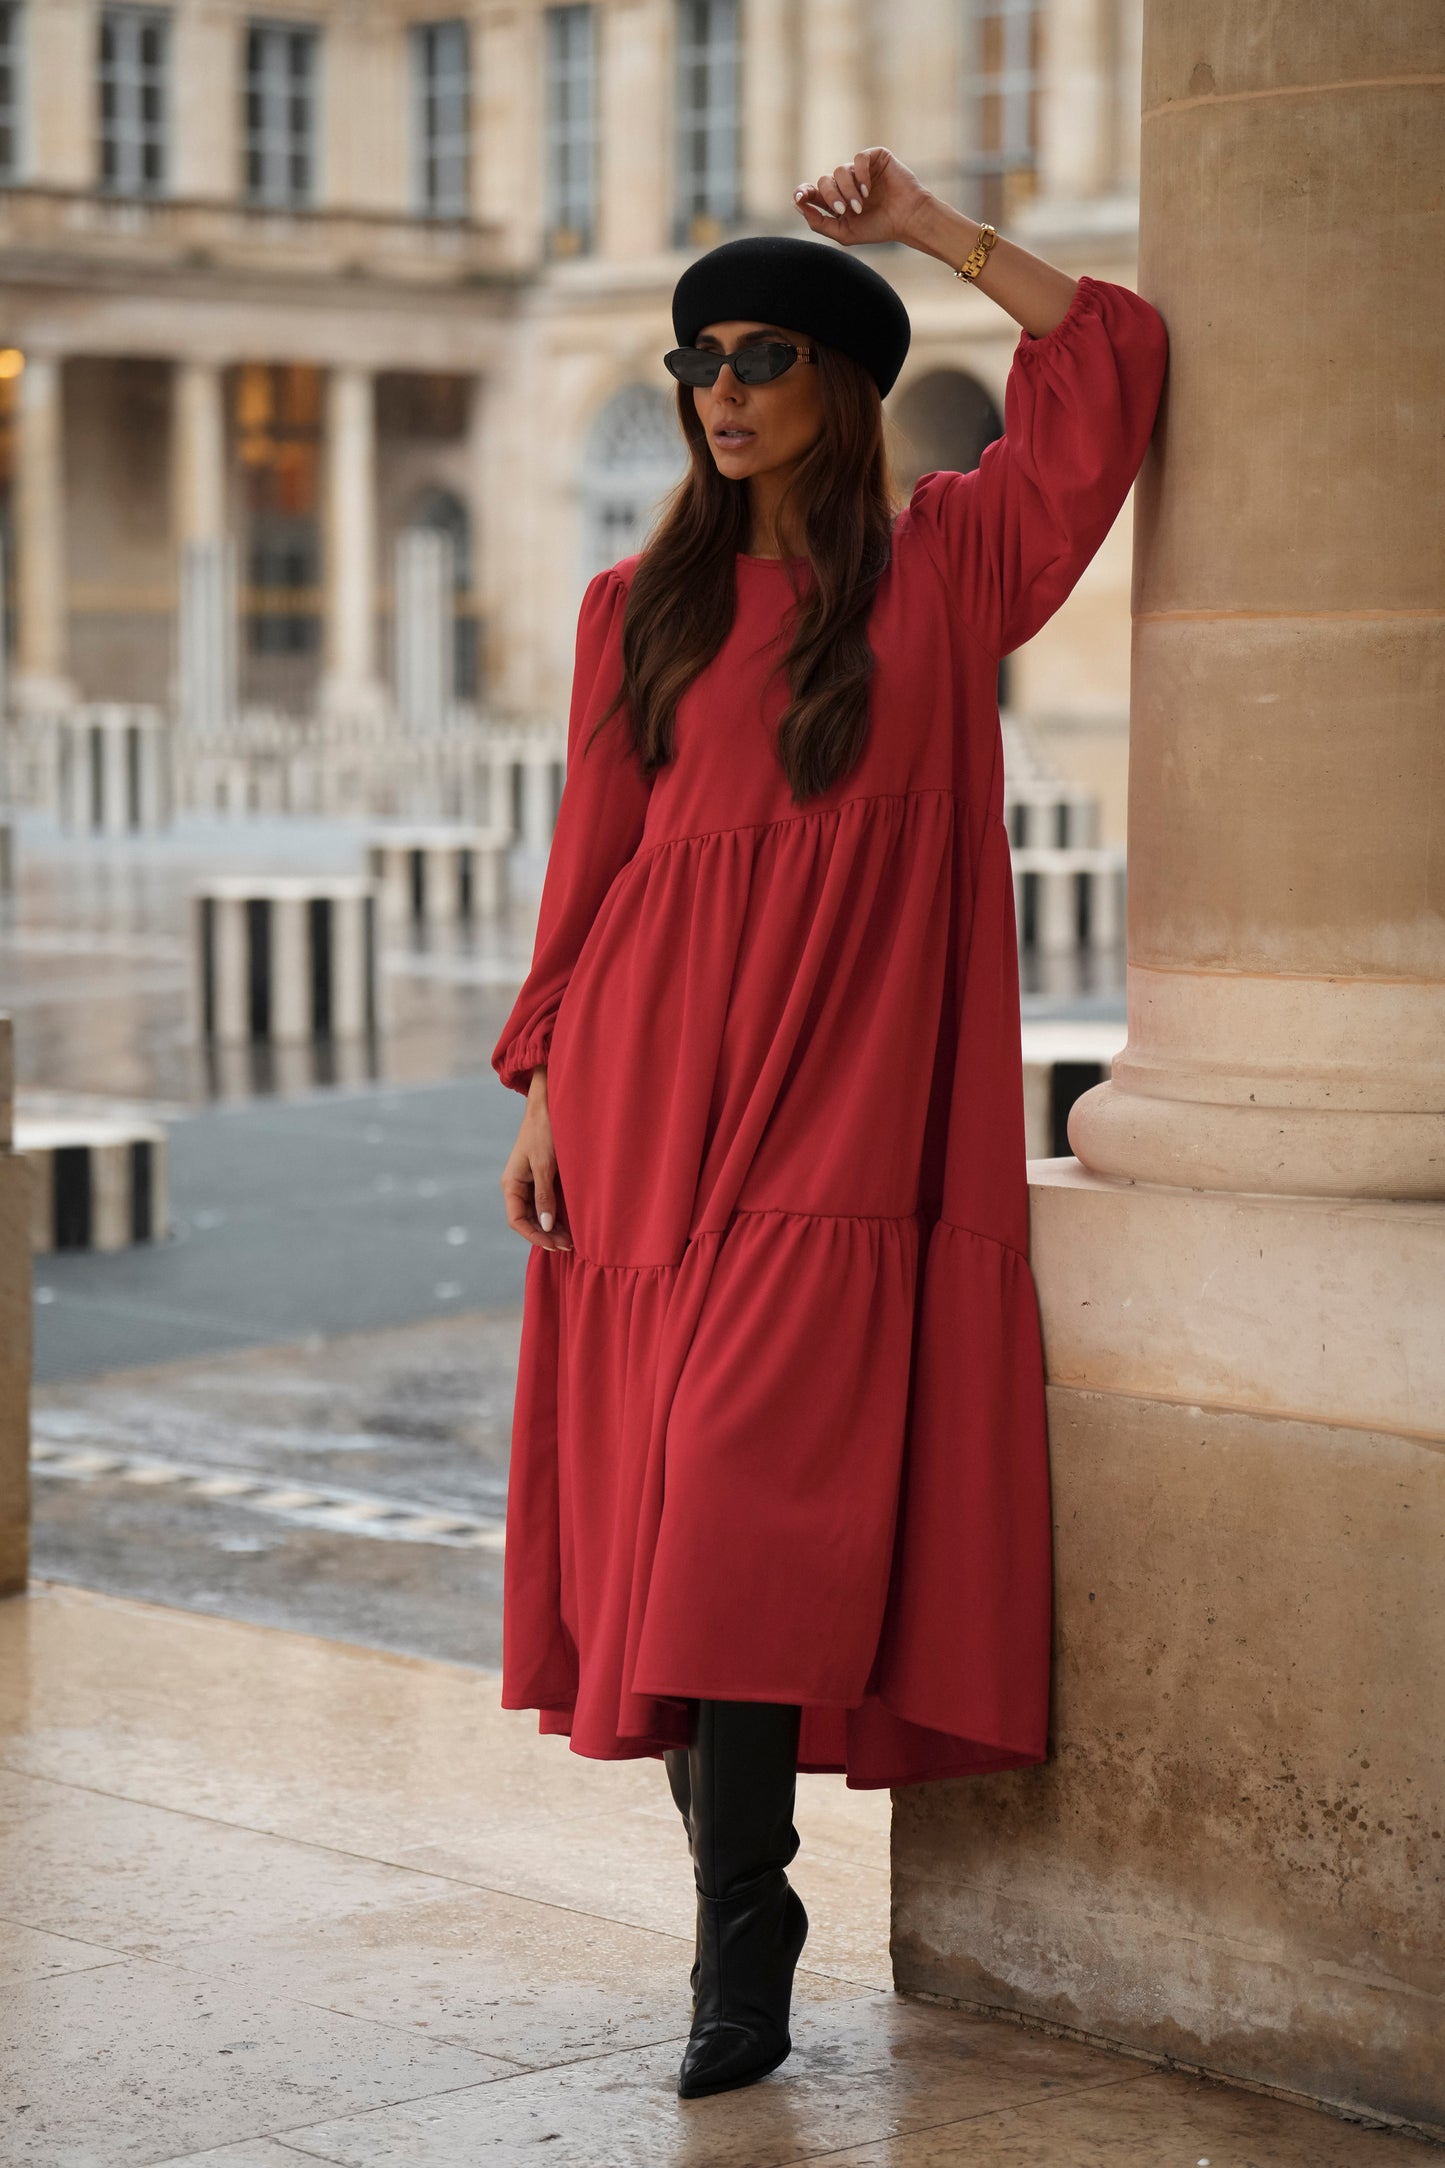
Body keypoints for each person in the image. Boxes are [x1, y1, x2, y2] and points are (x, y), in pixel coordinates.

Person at [493, 145, 1169, 2101]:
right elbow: (593, 868)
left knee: (731, 1514)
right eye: (699, 354)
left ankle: (740, 1929)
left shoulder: (951, 569)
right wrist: (542, 1079)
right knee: (672, 1527)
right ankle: (747, 1919)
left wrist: (936, 233)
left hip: (843, 1118)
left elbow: (1109, 357)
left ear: (843, 382)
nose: (718, 384)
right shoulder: (638, 605)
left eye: (761, 351)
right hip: (642, 1105)